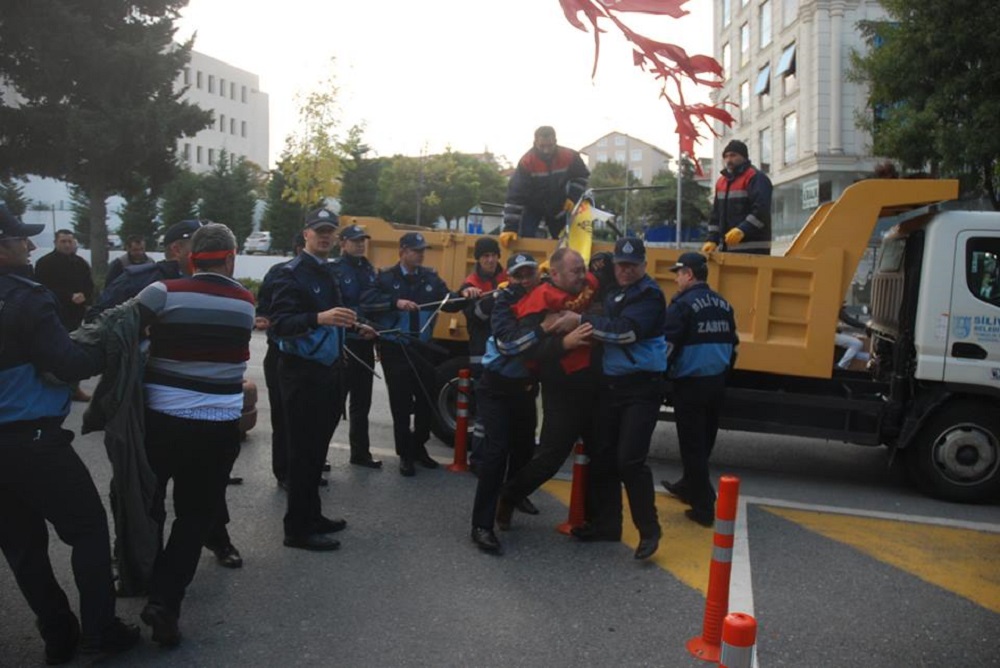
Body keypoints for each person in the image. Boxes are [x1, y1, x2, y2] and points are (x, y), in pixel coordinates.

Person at [0, 204, 139, 664]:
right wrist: (111, 342)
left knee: (22, 546)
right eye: (20, 239)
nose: (30, 245)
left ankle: (58, 634)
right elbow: (67, 363)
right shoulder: (26, 297)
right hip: (31, 440)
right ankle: (100, 631)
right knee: (88, 529)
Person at [136, 223, 255, 646]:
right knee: (194, 515)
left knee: (150, 504)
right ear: (231, 258)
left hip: (161, 421)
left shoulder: (162, 292)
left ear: (190, 257)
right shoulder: (244, 301)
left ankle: (136, 574)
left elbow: (126, 329)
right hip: (217, 426)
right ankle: (165, 601)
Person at [268, 208, 373, 552]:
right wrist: (319, 317)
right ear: (306, 235)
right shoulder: (290, 274)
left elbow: (335, 317)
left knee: (316, 452)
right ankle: (296, 529)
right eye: (319, 231)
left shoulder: (328, 272)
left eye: (330, 231)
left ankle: (312, 515)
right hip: (301, 373)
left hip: (330, 371)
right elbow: (280, 323)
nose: (325, 236)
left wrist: (355, 325)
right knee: (301, 454)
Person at [565, 238, 667, 559]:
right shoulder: (614, 289)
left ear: (644, 265)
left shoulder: (650, 295)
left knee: (629, 460)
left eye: (632, 265)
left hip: (642, 388)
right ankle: (606, 525)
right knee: (603, 454)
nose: (625, 270)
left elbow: (625, 331)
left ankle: (649, 530)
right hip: (612, 385)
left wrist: (582, 322)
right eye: (621, 264)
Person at [496, 248, 600, 530]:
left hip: (595, 382)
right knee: (552, 456)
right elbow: (531, 350)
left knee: (601, 452)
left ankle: (596, 519)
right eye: (575, 271)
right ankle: (509, 495)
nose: (582, 275)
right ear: (554, 274)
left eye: (582, 269)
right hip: (562, 385)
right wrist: (563, 344)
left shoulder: (589, 285)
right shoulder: (538, 301)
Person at [362, 232, 478, 476]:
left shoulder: (430, 278)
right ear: (402, 251)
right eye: (415, 250)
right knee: (401, 404)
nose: (420, 254)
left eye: (422, 250)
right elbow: (367, 302)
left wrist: (466, 293)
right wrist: (395, 302)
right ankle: (405, 454)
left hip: (422, 349)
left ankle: (418, 446)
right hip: (396, 348)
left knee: (427, 400)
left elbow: (449, 301)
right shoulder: (385, 278)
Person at [470, 253, 542, 554]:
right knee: (496, 453)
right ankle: (481, 525)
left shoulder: (543, 296)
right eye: (518, 275)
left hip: (525, 388)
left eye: (529, 273)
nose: (525, 280)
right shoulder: (503, 302)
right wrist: (544, 330)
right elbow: (508, 343)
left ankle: (512, 496)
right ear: (509, 277)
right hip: (495, 387)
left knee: (525, 448)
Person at [661, 252, 738, 527]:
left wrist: (661, 377)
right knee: (704, 441)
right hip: (716, 382)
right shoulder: (723, 304)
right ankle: (688, 485)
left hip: (690, 384)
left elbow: (667, 347)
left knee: (692, 445)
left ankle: (704, 507)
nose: (676, 278)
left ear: (689, 274)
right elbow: (734, 345)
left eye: (678, 273)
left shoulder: (682, 306)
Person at [256, 232, 306, 488]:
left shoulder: (324, 273)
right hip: (280, 352)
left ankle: (305, 469)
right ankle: (284, 471)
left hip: (311, 357)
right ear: (299, 247)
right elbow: (263, 304)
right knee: (283, 417)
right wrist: (263, 317)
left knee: (307, 419)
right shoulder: (280, 272)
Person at [330, 224, 382, 468]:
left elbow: (375, 303)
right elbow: (339, 305)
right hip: (344, 344)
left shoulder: (369, 269)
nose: (360, 244)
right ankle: (318, 456)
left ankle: (360, 453)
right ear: (343, 243)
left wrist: (372, 325)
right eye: (355, 240)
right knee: (333, 404)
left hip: (365, 343)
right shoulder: (335, 270)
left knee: (362, 403)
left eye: (363, 240)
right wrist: (358, 322)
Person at [460, 236, 507, 473]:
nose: (490, 260)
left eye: (493, 255)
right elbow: (476, 316)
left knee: (504, 413)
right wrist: (496, 298)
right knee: (483, 415)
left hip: (507, 355)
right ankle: (478, 461)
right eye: (485, 256)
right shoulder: (470, 284)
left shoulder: (506, 277)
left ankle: (497, 458)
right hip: (482, 356)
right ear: (478, 259)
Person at [500, 126, 590, 242]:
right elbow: (515, 195)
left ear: (555, 142)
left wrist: (572, 197)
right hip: (532, 206)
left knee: (564, 241)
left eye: (550, 146)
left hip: (559, 205)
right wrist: (510, 227)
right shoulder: (527, 162)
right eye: (542, 146)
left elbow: (581, 176)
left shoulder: (569, 156)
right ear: (535, 142)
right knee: (526, 237)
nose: (546, 150)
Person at [702, 140, 773, 255]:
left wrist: (742, 230)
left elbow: (761, 211)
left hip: (754, 250)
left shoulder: (756, 178)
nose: (729, 160)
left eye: (733, 155)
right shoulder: (721, 182)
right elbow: (715, 215)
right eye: (726, 156)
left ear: (744, 157)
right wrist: (711, 239)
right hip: (726, 250)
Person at [33, 229, 94, 332]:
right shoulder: (44, 263)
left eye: (70, 242)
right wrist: (69, 296)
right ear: (55, 243)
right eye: (63, 241)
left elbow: (89, 285)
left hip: (77, 312)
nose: (67, 245)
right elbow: (43, 288)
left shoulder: (81, 263)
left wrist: (85, 295)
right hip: (54, 312)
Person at [835, 303, 870, 370]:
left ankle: (868, 357)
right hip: (830, 336)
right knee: (857, 344)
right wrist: (865, 326)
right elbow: (849, 320)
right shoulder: (835, 307)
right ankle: (841, 366)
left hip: (829, 334)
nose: (845, 305)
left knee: (851, 352)